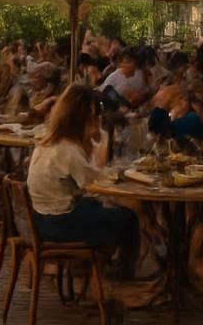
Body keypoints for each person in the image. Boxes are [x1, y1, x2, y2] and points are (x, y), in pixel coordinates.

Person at [26, 85, 140, 276]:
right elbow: (94, 181)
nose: (95, 120)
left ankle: (97, 267)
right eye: (93, 116)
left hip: (42, 219)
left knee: (103, 207)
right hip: (59, 224)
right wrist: (101, 137)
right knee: (128, 218)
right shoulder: (68, 149)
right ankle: (120, 273)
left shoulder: (48, 142)